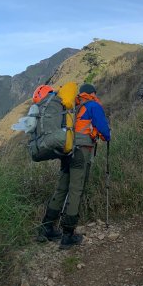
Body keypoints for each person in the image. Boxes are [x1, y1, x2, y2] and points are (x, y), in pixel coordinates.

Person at [37, 82, 111, 249]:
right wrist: (107, 135)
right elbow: (105, 132)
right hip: (81, 151)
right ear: (92, 93)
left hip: (67, 150)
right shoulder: (93, 105)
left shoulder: (71, 107)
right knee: (76, 189)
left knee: (61, 188)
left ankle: (46, 228)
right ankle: (68, 234)